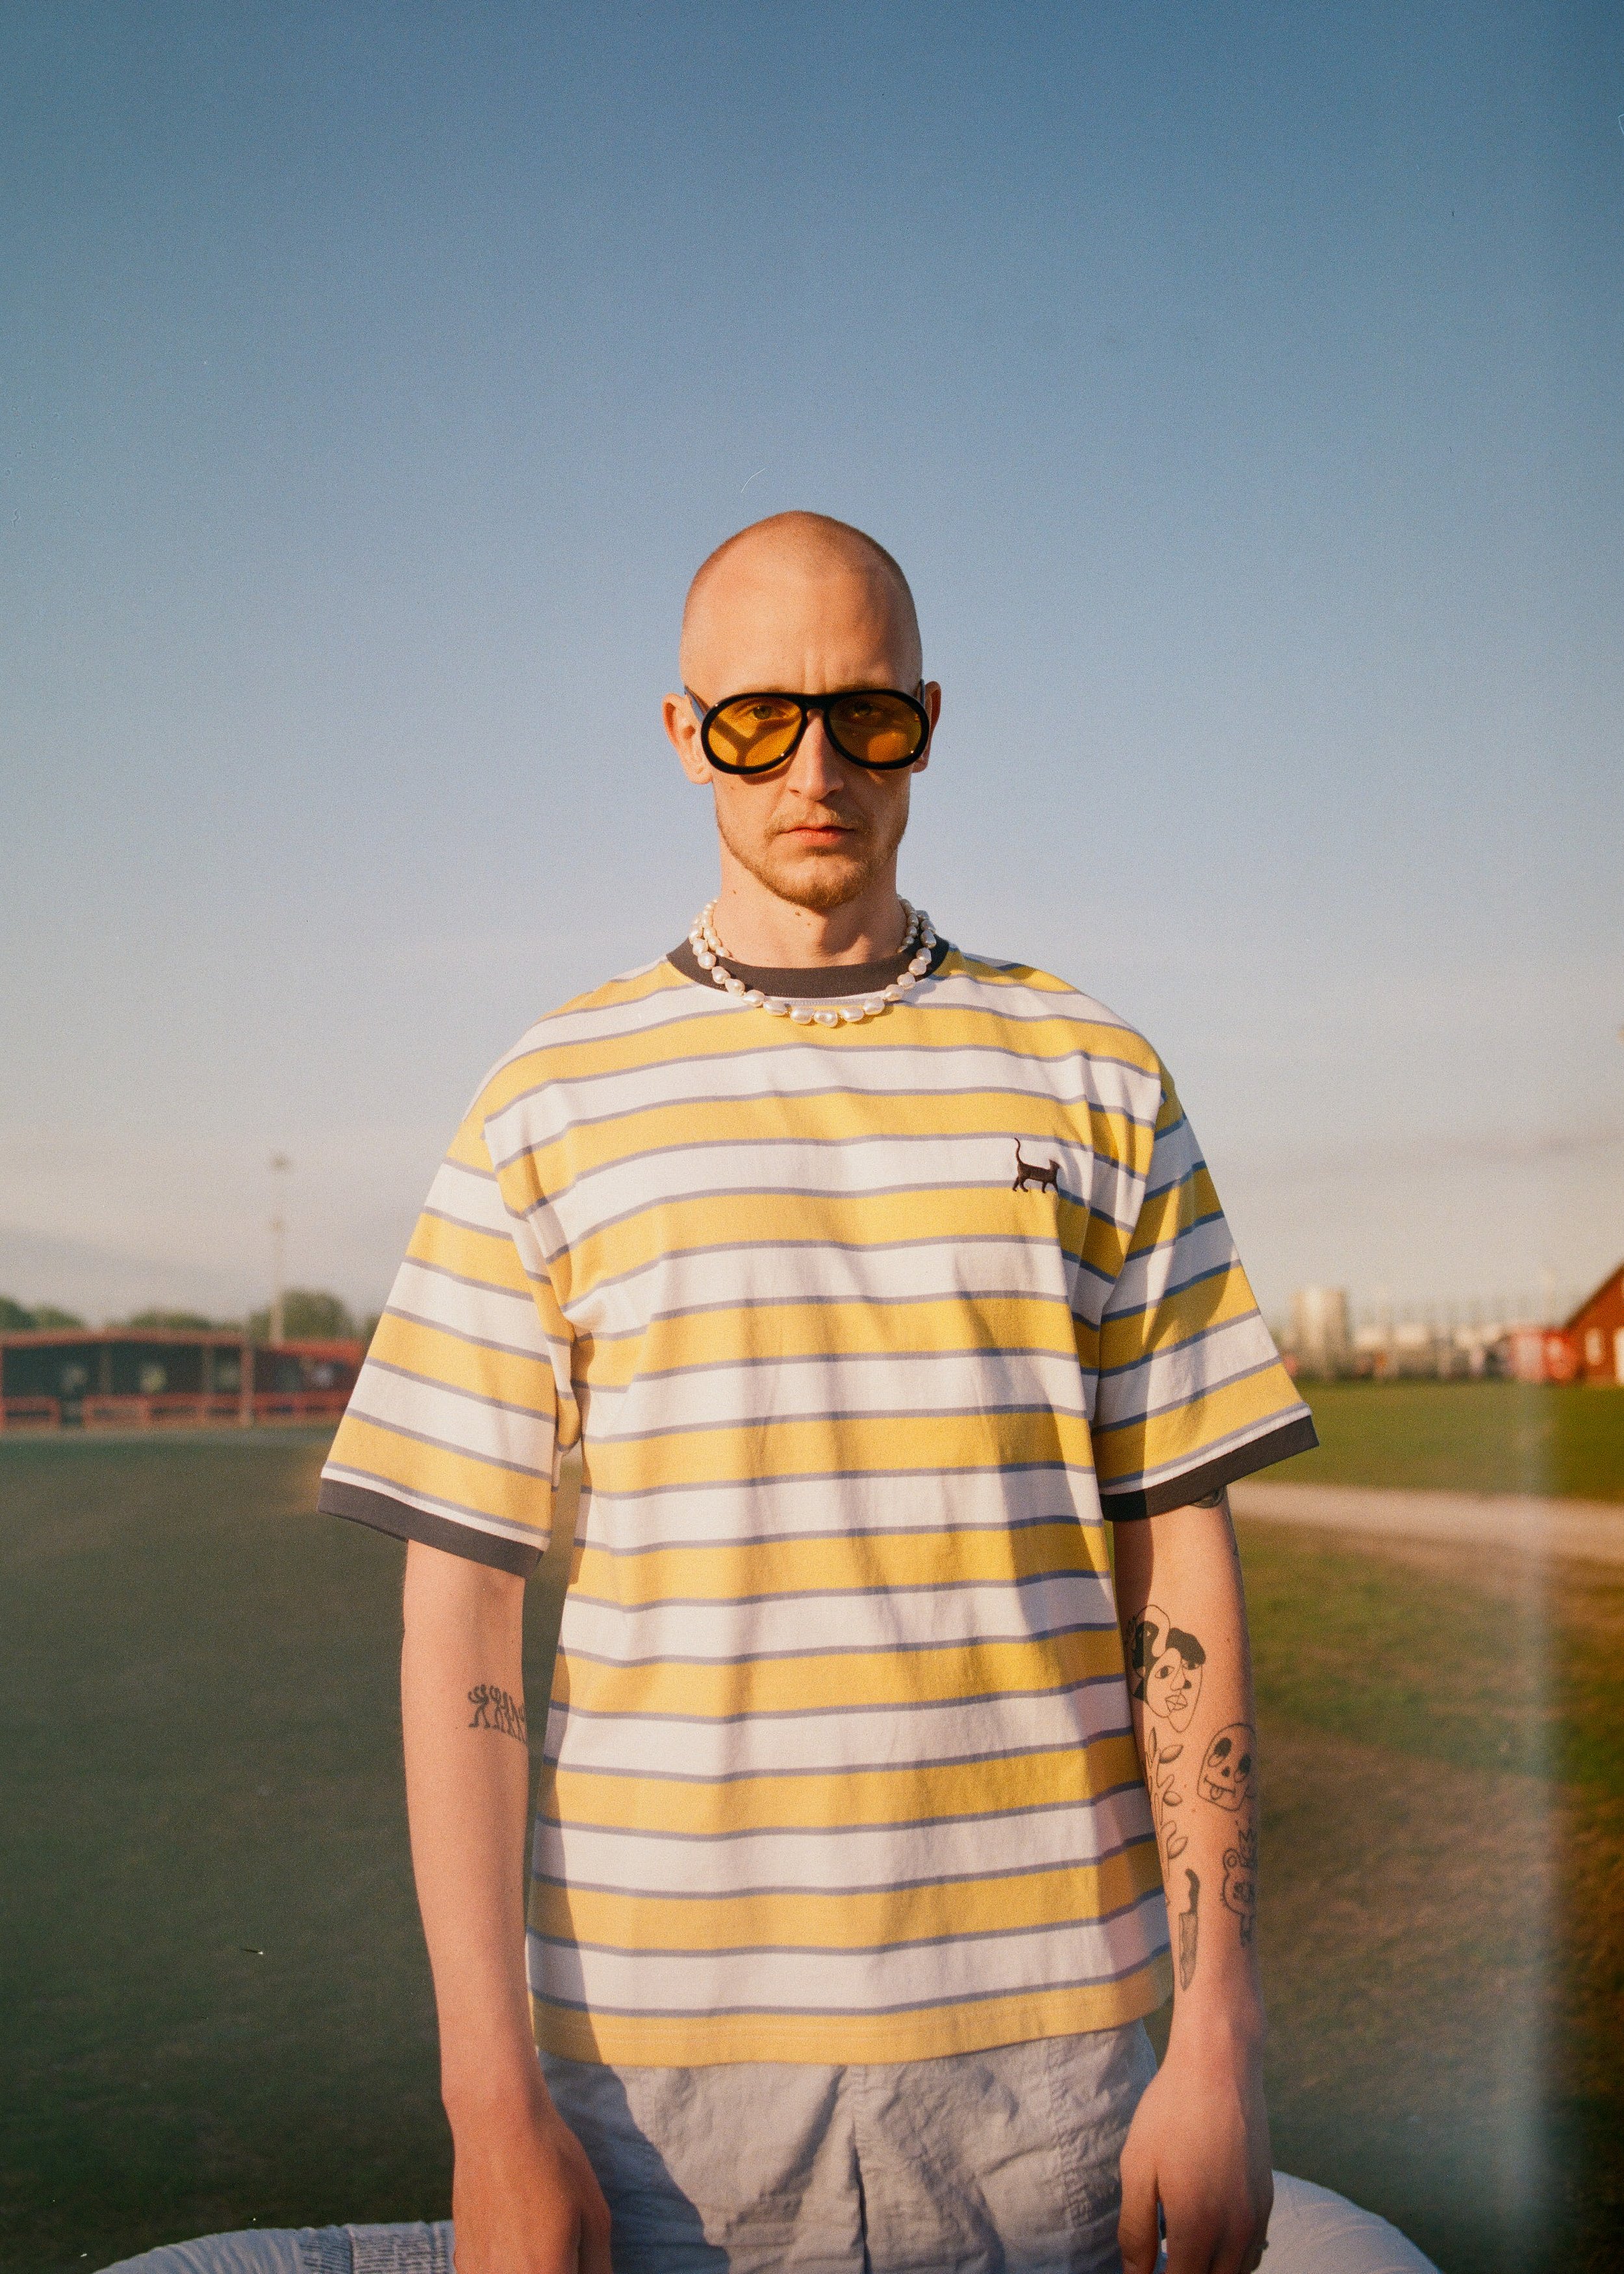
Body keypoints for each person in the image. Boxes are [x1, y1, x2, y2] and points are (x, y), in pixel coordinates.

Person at [103, 514, 1438, 2274]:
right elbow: (460, 1630)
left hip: (1054, 2081)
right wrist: (488, 2108)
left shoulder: (1094, 1074)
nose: (815, 764)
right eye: (756, 719)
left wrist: (1220, 2036)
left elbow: (1180, 1574)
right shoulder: (546, 1099)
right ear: (682, 733)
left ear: (928, 722)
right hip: (658, 2091)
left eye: (865, 716)